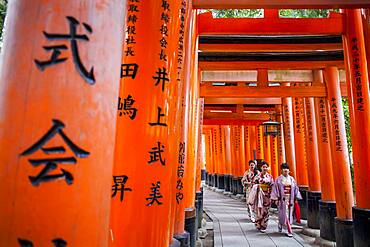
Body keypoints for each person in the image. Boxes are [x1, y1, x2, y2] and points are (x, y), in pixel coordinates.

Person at [271, 163, 302, 237]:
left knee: (289, 214)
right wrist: (275, 199)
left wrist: (296, 197)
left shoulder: (292, 179)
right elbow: (275, 189)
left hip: (290, 199)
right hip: (282, 199)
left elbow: (296, 189)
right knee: (284, 213)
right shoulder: (278, 179)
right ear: (281, 170)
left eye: (287, 168)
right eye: (284, 168)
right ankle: (288, 229)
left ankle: (286, 226)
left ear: (289, 170)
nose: (285, 170)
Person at [251, 161, 274, 233]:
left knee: (266, 210)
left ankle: (264, 225)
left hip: (267, 195)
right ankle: (258, 224)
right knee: (259, 210)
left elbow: (272, 185)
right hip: (259, 195)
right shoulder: (257, 176)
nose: (265, 168)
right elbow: (253, 184)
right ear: (261, 168)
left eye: (266, 167)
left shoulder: (270, 177)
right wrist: (258, 187)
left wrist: (272, 195)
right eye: (263, 167)